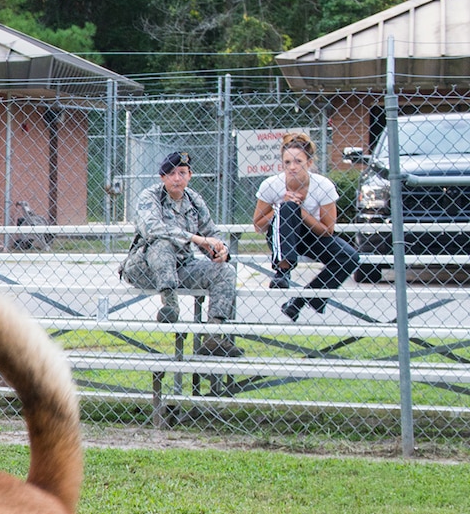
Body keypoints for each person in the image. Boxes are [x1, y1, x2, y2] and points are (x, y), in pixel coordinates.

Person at [121, 149, 242, 357]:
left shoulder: (194, 200)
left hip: (182, 268)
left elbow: (211, 232)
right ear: (162, 177)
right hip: (144, 267)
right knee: (162, 244)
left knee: (226, 270)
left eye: (182, 172)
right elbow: (153, 230)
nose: (177, 178)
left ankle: (213, 337)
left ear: (190, 175)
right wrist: (197, 239)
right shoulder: (150, 196)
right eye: (171, 173)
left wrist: (221, 249)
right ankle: (170, 307)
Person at [253, 132, 359, 320]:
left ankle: (302, 301)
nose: (292, 167)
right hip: (281, 235)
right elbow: (259, 226)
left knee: (349, 256)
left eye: (298, 162)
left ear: (309, 163)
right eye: (287, 162)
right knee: (287, 207)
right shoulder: (271, 185)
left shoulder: (323, 185)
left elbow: (328, 230)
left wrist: (301, 211)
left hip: (312, 236)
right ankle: (283, 270)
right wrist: (281, 206)